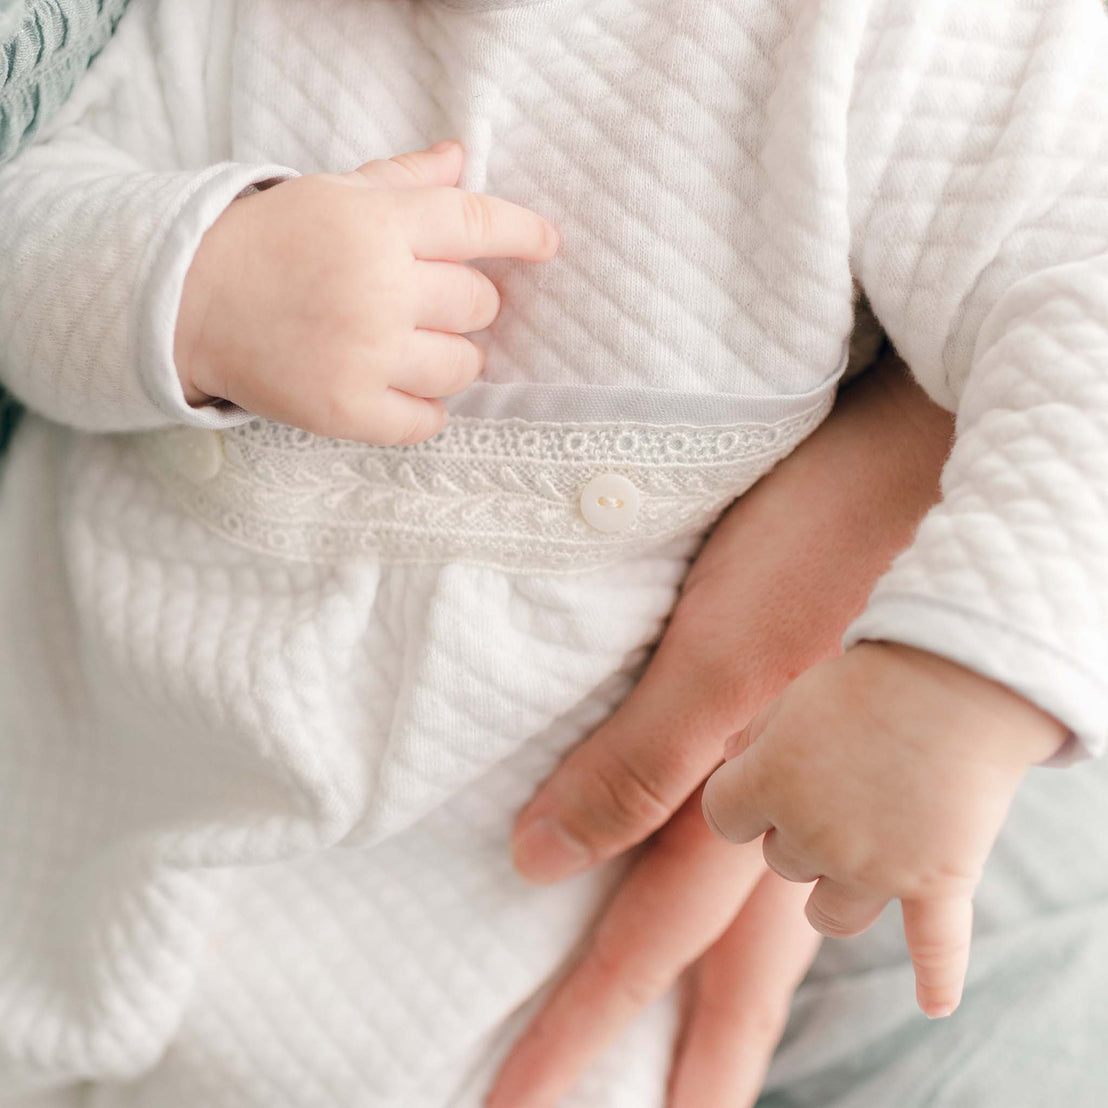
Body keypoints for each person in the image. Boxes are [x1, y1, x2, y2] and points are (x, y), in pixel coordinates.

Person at [0, 2, 1106, 1106]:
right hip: (68, 820)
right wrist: (195, 282)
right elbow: (30, 211)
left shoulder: (901, 37)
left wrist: (956, 683)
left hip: (496, 960)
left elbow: (1082, 287)